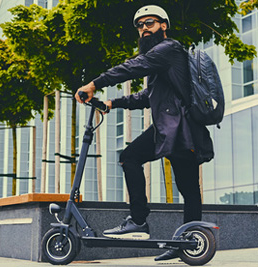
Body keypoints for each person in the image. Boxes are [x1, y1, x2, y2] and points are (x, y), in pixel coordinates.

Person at [75, 5, 214, 261]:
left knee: (132, 158)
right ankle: (188, 242)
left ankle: (139, 221)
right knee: (188, 189)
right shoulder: (162, 61)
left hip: (178, 127)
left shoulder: (168, 49)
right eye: (139, 26)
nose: (143, 29)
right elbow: (148, 96)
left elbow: (132, 67)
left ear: (163, 25)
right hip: (175, 128)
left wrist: (95, 84)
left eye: (149, 22)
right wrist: (112, 103)